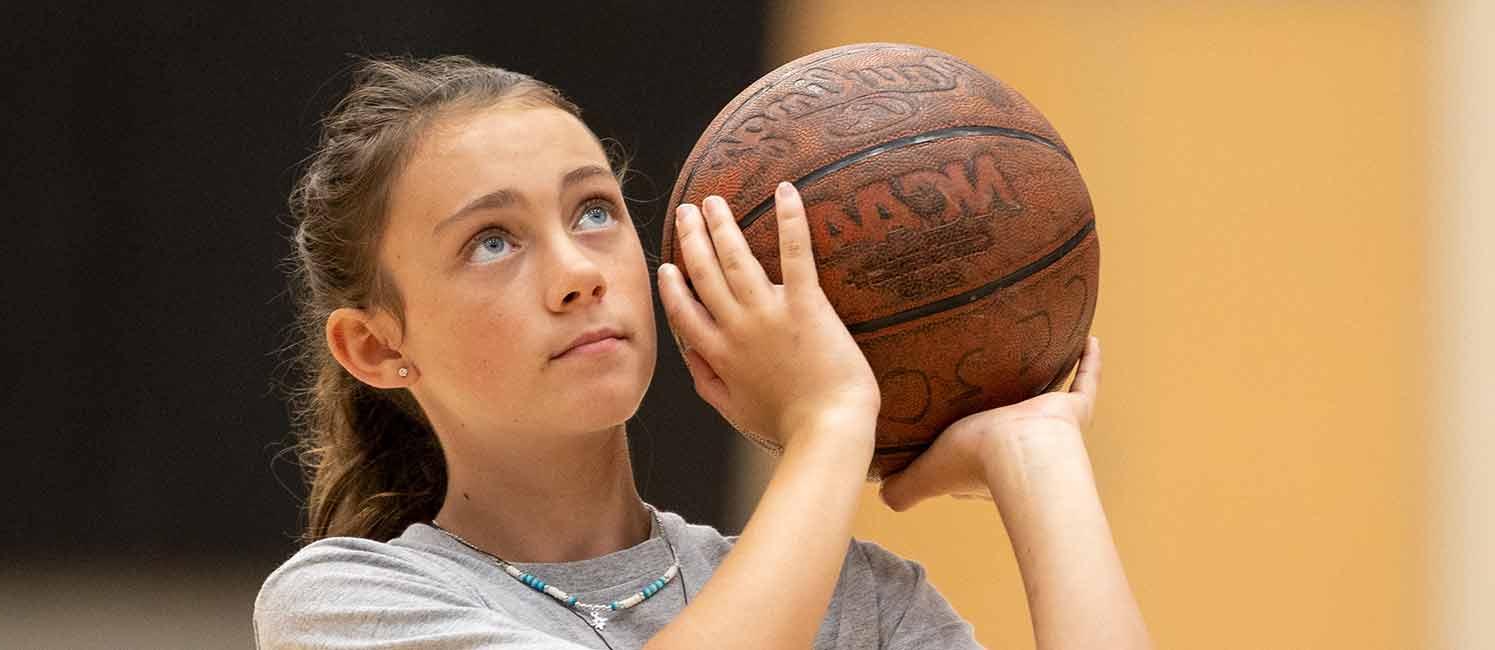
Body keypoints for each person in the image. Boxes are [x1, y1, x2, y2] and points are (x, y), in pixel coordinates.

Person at [252, 54, 1149, 650]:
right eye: (493, 240)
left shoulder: (860, 602)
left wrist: (1041, 459)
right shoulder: (347, 607)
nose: (577, 273)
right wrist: (833, 418)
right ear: (374, 347)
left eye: (593, 212)